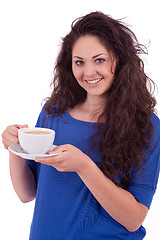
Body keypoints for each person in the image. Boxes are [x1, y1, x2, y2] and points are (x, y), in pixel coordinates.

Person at [2, 11, 160, 240]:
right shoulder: (53, 112)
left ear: (120, 59)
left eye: (100, 60)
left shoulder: (146, 125)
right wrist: (15, 148)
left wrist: (84, 167)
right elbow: (27, 193)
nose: (89, 72)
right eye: (79, 62)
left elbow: (134, 219)